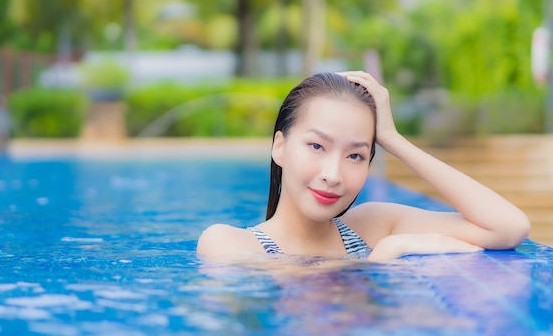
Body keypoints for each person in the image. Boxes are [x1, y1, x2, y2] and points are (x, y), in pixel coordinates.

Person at [197, 71, 531, 262]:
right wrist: (383, 260)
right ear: (279, 147)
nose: (333, 174)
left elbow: (509, 227)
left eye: (355, 155)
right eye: (316, 146)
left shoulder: (371, 226)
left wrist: (393, 140)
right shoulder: (227, 244)